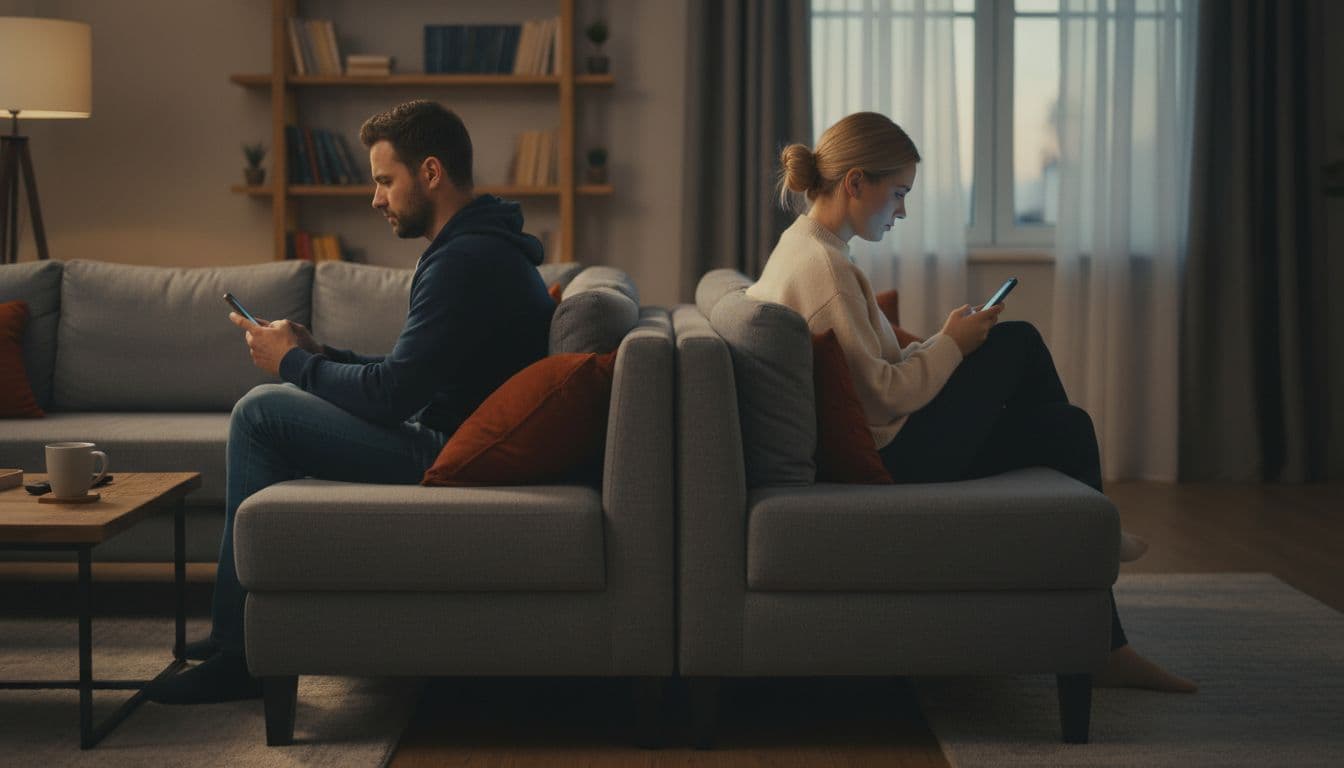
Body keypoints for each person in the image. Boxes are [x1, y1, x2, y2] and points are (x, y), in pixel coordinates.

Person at [747, 111, 1194, 693]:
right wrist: (952, 350)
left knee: (1068, 430)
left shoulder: (808, 248)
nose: (903, 211)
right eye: (898, 193)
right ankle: (1101, 591)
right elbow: (881, 400)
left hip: (893, 440)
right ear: (855, 183)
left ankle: (1105, 636)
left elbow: (875, 372)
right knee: (1019, 341)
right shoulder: (825, 270)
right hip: (895, 456)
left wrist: (940, 341)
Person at [145, 100, 557, 704]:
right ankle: (241, 631)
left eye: (385, 180)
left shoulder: (465, 260)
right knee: (274, 401)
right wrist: (320, 353)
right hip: (448, 432)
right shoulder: (477, 245)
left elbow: (392, 398)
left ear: (432, 173)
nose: (376, 198)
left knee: (261, 412)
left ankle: (240, 655)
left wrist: (293, 364)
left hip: (451, 455)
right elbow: (409, 377)